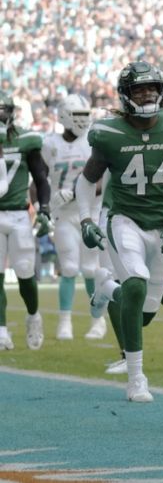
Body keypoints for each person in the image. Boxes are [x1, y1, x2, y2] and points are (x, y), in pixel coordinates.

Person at [75, 61, 163, 402]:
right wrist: (87, 220)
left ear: (162, 92)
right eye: (139, 89)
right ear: (126, 95)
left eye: (151, 88)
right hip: (125, 220)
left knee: (144, 314)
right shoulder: (110, 134)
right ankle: (136, 378)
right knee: (135, 282)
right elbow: (86, 181)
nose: (146, 94)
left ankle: (106, 288)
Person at [41, 94, 105, 340]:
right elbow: (39, 178)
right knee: (68, 267)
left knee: (90, 269)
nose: (82, 120)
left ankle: (97, 321)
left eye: (85, 115)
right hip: (64, 214)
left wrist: (76, 192)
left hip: (90, 211)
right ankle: (64, 322)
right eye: (77, 115)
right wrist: (43, 203)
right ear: (63, 116)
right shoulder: (50, 144)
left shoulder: (92, 142)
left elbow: (103, 181)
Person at [0, 90, 45, 351]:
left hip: (18, 214)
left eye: (2, 110)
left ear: (10, 112)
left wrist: (44, 207)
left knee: (25, 273)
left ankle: (33, 316)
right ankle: (1, 330)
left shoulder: (27, 139)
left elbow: (40, 177)